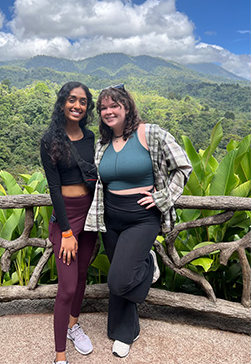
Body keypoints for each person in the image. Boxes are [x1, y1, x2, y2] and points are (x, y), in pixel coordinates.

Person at [85, 84, 192, 358]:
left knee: (120, 280)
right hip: (110, 217)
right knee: (121, 274)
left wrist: (164, 197)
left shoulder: (150, 133)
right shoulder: (102, 143)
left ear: (127, 107)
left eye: (114, 106)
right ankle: (125, 332)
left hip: (142, 217)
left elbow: (183, 166)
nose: (108, 112)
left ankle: (148, 263)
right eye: (103, 108)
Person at [40, 81, 98, 364]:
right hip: (66, 217)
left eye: (83, 101)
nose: (77, 105)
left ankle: (73, 325)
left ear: (88, 107)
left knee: (83, 274)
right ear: (62, 103)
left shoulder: (90, 138)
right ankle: (59, 356)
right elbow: (53, 190)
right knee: (67, 288)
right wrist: (65, 231)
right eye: (72, 100)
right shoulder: (50, 139)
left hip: (90, 214)